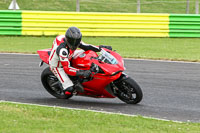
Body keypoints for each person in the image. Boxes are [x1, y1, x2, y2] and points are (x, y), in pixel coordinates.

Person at [49, 27, 112, 95]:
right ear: (67, 39)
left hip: (70, 55)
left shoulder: (75, 41)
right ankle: (64, 86)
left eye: (77, 41)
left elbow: (87, 46)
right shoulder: (62, 50)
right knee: (69, 90)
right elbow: (67, 69)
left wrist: (101, 48)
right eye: (72, 41)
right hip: (58, 65)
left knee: (89, 53)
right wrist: (82, 73)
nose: (74, 44)